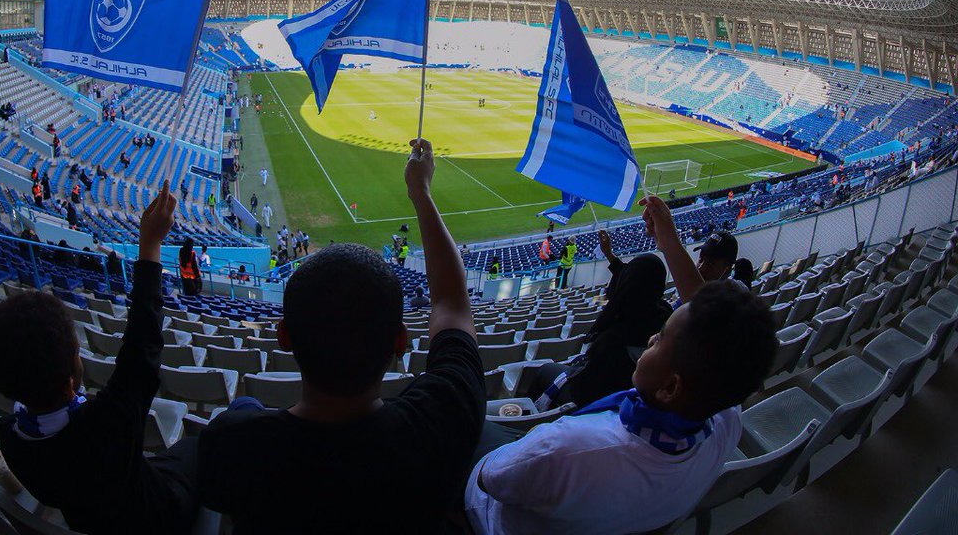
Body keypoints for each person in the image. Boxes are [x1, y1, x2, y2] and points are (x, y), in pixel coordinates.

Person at [198, 138, 485, 531]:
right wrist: (421, 194)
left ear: (285, 338)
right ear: (399, 342)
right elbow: (452, 303)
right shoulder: (440, 423)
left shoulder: (234, 446)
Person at [465, 194, 777, 535]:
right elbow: (714, 329)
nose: (651, 339)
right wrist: (667, 239)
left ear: (670, 387)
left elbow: (489, 479)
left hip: (489, 516)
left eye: (660, 338)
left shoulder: (569, 447)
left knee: (463, 425)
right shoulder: (725, 420)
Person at [0, 181, 199, 535]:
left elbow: (141, 348)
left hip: (87, 518)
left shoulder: (9, 433)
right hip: (159, 514)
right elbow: (143, 342)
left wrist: (149, 244)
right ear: (70, 379)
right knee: (197, 446)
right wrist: (150, 242)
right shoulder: (109, 423)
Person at [528, 252, 672, 410]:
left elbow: (584, 390)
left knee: (545, 370)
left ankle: (529, 417)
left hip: (594, 400)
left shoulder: (614, 337)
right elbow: (637, 280)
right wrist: (610, 255)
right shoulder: (666, 315)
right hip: (622, 395)